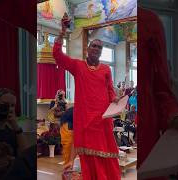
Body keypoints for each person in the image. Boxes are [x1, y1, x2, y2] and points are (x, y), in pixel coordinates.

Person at [53, 14, 121, 180]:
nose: (96, 49)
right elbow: (58, 56)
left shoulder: (106, 69)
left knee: (106, 153)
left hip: (103, 119)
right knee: (87, 156)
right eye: (94, 46)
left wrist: (115, 100)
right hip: (85, 119)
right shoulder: (78, 66)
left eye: (99, 47)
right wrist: (62, 32)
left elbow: (110, 90)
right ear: (88, 49)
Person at [139, 7, 178, 179]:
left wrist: (173, 115)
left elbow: (162, 89)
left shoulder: (149, 22)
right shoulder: (88, 17)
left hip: (144, 139)